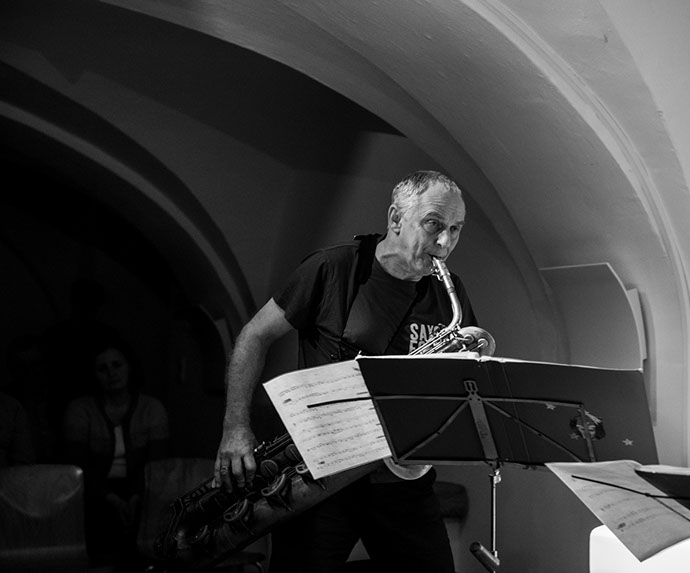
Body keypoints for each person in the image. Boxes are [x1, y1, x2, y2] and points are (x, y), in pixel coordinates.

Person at [213, 170, 479, 572]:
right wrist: (235, 427)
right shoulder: (333, 267)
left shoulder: (450, 291)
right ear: (395, 219)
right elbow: (254, 335)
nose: (444, 242)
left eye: (455, 229)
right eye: (433, 225)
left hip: (403, 481)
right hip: (320, 479)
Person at [62, 337, 169, 570]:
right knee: (100, 520)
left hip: (141, 488)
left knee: (149, 519)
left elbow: (156, 464)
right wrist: (111, 498)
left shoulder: (151, 408)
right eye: (102, 368)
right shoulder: (80, 410)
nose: (111, 373)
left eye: (117, 365)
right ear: (93, 374)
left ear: (129, 366)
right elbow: (78, 466)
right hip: (95, 490)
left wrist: (135, 497)